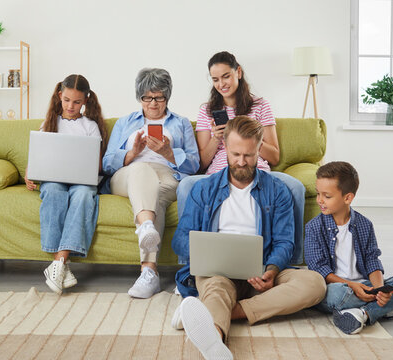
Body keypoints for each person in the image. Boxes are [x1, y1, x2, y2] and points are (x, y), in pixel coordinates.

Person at [171, 116, 326, 359]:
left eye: (249, 155)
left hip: (262, 271)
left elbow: (286, 241)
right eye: (235, 155)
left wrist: (272, 271)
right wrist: (205, 251)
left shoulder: (278, 190)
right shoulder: (204, 189)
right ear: (225, 148)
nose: (241, 162)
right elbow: (179, 240)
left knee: (314, 283)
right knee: (216, 287)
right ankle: (215, 341)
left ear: (259, 150)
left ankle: (222, 312)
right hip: (218, 273)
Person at [176, 51, 307, 264]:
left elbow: (274, 156)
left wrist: (247, 136)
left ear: (238, 72)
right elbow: (201, 163)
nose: (221, 84)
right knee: (185, 186)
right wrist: (218, 138)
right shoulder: (207, 111)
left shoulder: (260, 106)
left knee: (296, 187)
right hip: (217, 175)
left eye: (226, 76)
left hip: (257, 172)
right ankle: (188, 266)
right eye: (215, 79)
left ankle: (291, 263)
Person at [102, 68, 200, 299]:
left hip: (167, 175)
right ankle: (146, 230)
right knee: (140, 169)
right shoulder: (125, 123)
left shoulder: (182, 123)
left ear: (167, 96)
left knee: (154, 195)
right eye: (147, 97)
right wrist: (132, 153)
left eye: (159, 97)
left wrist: (168, 152)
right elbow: (107, 163)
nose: (153, 103)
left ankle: (149, 272)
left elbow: (195, 164)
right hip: (128, 174)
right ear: (139, 97)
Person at [305, 161, 393, 334]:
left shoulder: (364, 225)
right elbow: (319, 269)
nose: (319, 200)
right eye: (318, 194)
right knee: (337, 295)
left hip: (365, 285)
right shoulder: (313, 228)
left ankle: (362, 314)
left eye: (327, 196)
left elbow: (372, 260)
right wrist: (353, 287)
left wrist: (379, 290)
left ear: (348, 198)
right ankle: (391, 309)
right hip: (337, 287)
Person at [24, 74, 108, 294]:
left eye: (77, 102)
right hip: (54, 178)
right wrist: (28, 173)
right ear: (60, 96)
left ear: (86, 101)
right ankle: (63, 266)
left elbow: (97, 166)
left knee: (82, 195)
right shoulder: (50, 123)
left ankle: (58, 262)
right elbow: (38, 156)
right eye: (67, 100)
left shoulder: (90, 126)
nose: (71, 106)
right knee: (52, 191)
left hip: (82, 180)